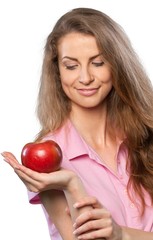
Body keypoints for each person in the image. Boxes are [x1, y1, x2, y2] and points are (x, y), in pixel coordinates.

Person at [1, 7, 153, 240]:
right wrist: (72, 183)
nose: (85, 77)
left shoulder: (147, 132)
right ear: (57, 72)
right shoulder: (48, 158)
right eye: (71, 66)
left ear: (117, 65)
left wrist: (122, 235)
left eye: (98, 63)